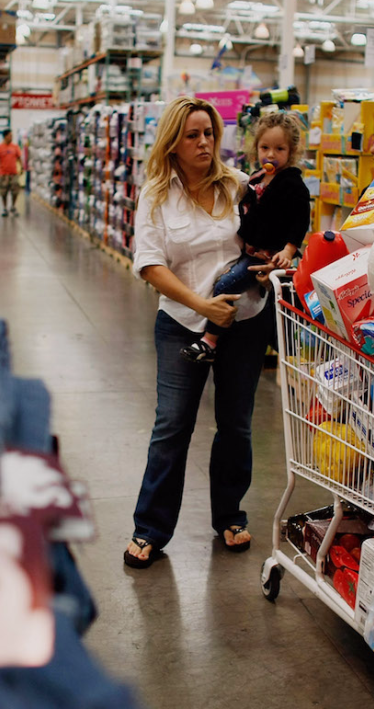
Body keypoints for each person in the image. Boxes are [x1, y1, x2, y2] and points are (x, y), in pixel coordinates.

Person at [124, 97, 278, 569]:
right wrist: (202, 305)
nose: (204, 143)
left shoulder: (238, 186)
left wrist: (274, 258)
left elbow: (263, 238)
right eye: (192, 135)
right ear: (173, 141)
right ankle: (150, 528)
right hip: (181, 323)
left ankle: (229, 515)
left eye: (209, 133)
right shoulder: (155, 193)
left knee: (235, 424)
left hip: (246, 321)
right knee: (172, 425)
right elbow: (149, 264)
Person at [181, 112, 311, 364]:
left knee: (224, 286)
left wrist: (288, 249)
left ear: (291, 151)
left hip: (266, 254)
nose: (271, 155)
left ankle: (209, 341)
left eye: (279, 148)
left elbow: (300, 219)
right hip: (250, 249)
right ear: (256, 148)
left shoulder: (292, 183)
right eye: (265, 147)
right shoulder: (257, 177)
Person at [0, 129, 22, 217]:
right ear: (5, 136)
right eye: (10, 136)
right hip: (3, 173)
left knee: (15, 191)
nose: (11, 137)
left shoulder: (15, 147)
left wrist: (22, 167)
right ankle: (5, 208)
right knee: (3, 192)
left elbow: (19, 157)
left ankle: (13, 206)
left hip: (13, 173)